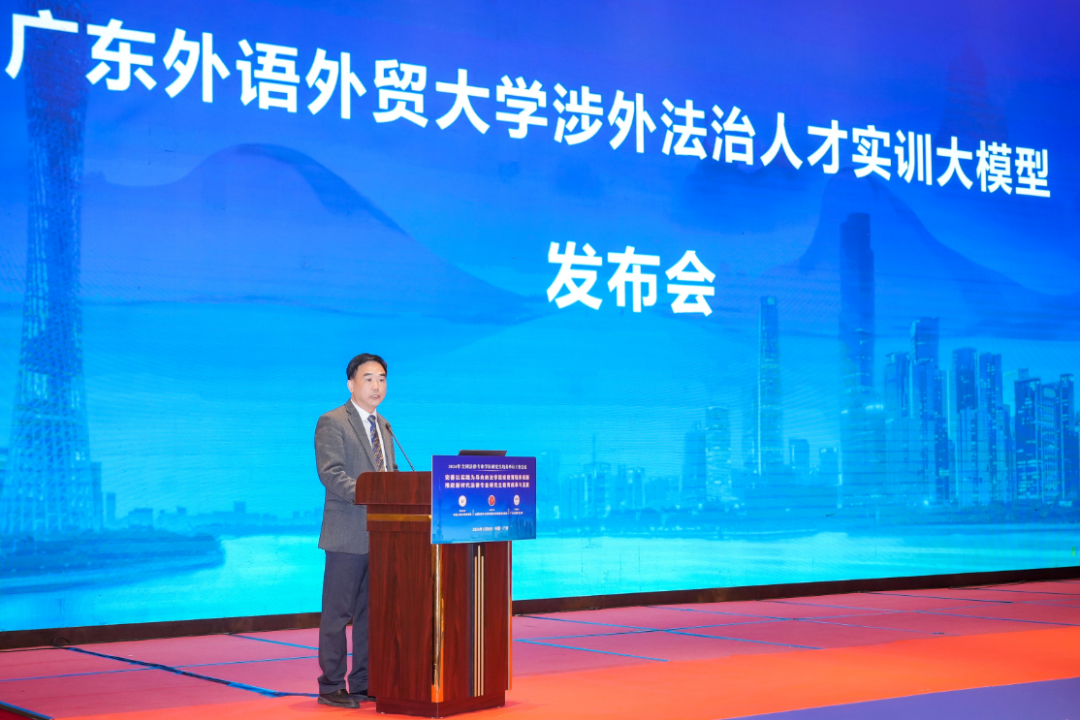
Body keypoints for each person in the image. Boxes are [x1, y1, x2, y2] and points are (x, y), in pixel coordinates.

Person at [313, 353, 397, 708]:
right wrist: (372, 494)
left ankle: (363, 682)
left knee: (370, 616)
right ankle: (331, 685)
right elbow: (331, 473)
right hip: (347, 532)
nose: (377, 386)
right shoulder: (333, 421)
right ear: (351, 384)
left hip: (382, 535)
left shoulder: (385, 426)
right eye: (368, 378)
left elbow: (390, 475)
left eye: (382, 379)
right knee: (337, 615)